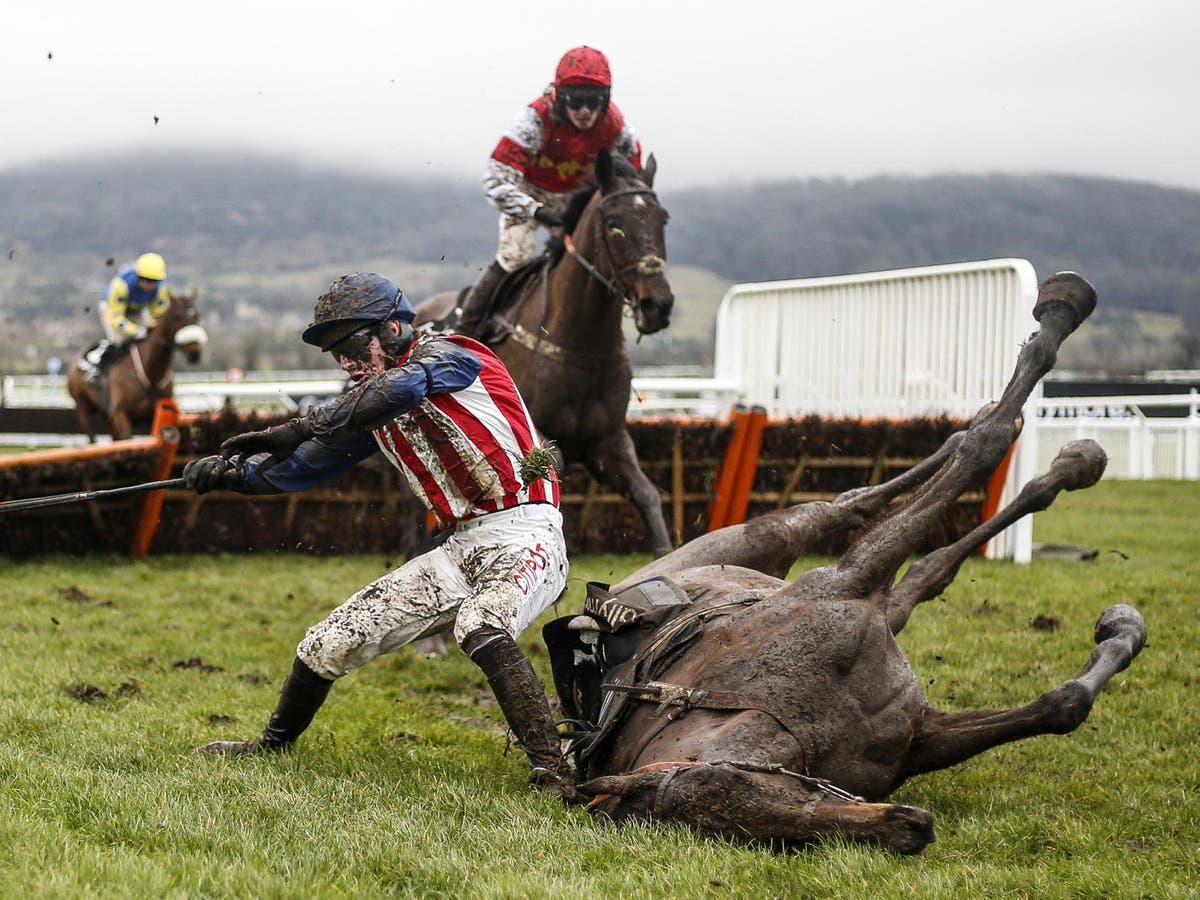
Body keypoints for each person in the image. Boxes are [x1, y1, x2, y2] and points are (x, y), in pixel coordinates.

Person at [183, 273, 578, 801]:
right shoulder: (373, 405)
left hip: (530, 532)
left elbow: (404, 386)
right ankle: (271, 745)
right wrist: (232, 477)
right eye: (335, 354)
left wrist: (299, 425)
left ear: (394, 328)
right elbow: (304, 469)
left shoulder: (455, 355)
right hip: (461, 547)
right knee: (326, 642)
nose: (345, 363)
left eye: (350, 345)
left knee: (479, 623)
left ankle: (553, 772)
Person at [456, 45, 643, 339]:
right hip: (526, 192)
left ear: (607, 100)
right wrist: (536, 210)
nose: (585, 111)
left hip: (577, 197)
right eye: (576, 100)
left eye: (594, 101)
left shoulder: (619, 130)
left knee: (591, 261)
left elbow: (631, 190)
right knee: (515, 255)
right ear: (558, 96)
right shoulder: (533, 120)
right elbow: (494, 180)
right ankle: (464, 334)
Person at [90, 252, 171, 373]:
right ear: (139, 277)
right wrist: (136, 330)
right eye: (147, 280)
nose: (151, 285)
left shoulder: (160, 289)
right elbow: (115, 318)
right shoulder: (122, 285)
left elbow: (158, 314)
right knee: (120, 341)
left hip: (137, 309)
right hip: (111, 309)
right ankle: (98, 366)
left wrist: (154, 327)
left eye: (155, 281)